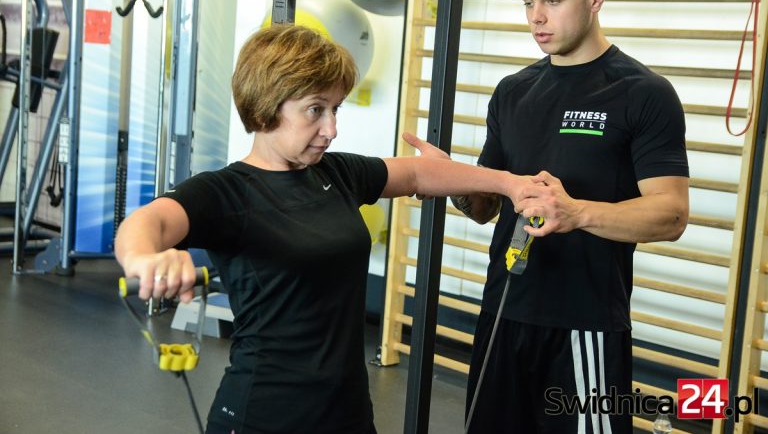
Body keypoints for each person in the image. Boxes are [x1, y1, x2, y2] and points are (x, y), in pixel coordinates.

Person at [114, 24, 553, 434]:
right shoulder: (227, 192)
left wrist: (509, 183)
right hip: (265, 414)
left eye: (335, 109)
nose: (332, 129)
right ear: (267, 105)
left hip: (348, 412)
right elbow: (146, 223)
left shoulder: (336, 174)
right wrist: (146, 258)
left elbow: (418, 175)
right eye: (315, 110)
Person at [438, 0, 689, 434]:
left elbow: (671, 214)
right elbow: (487, 206)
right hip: (504, 312)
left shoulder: (643, 94)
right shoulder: (513, 92)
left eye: (552, 0)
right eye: (529, 2)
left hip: (585, 324)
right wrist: (447, 180)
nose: (536, 17)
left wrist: (576, 213)